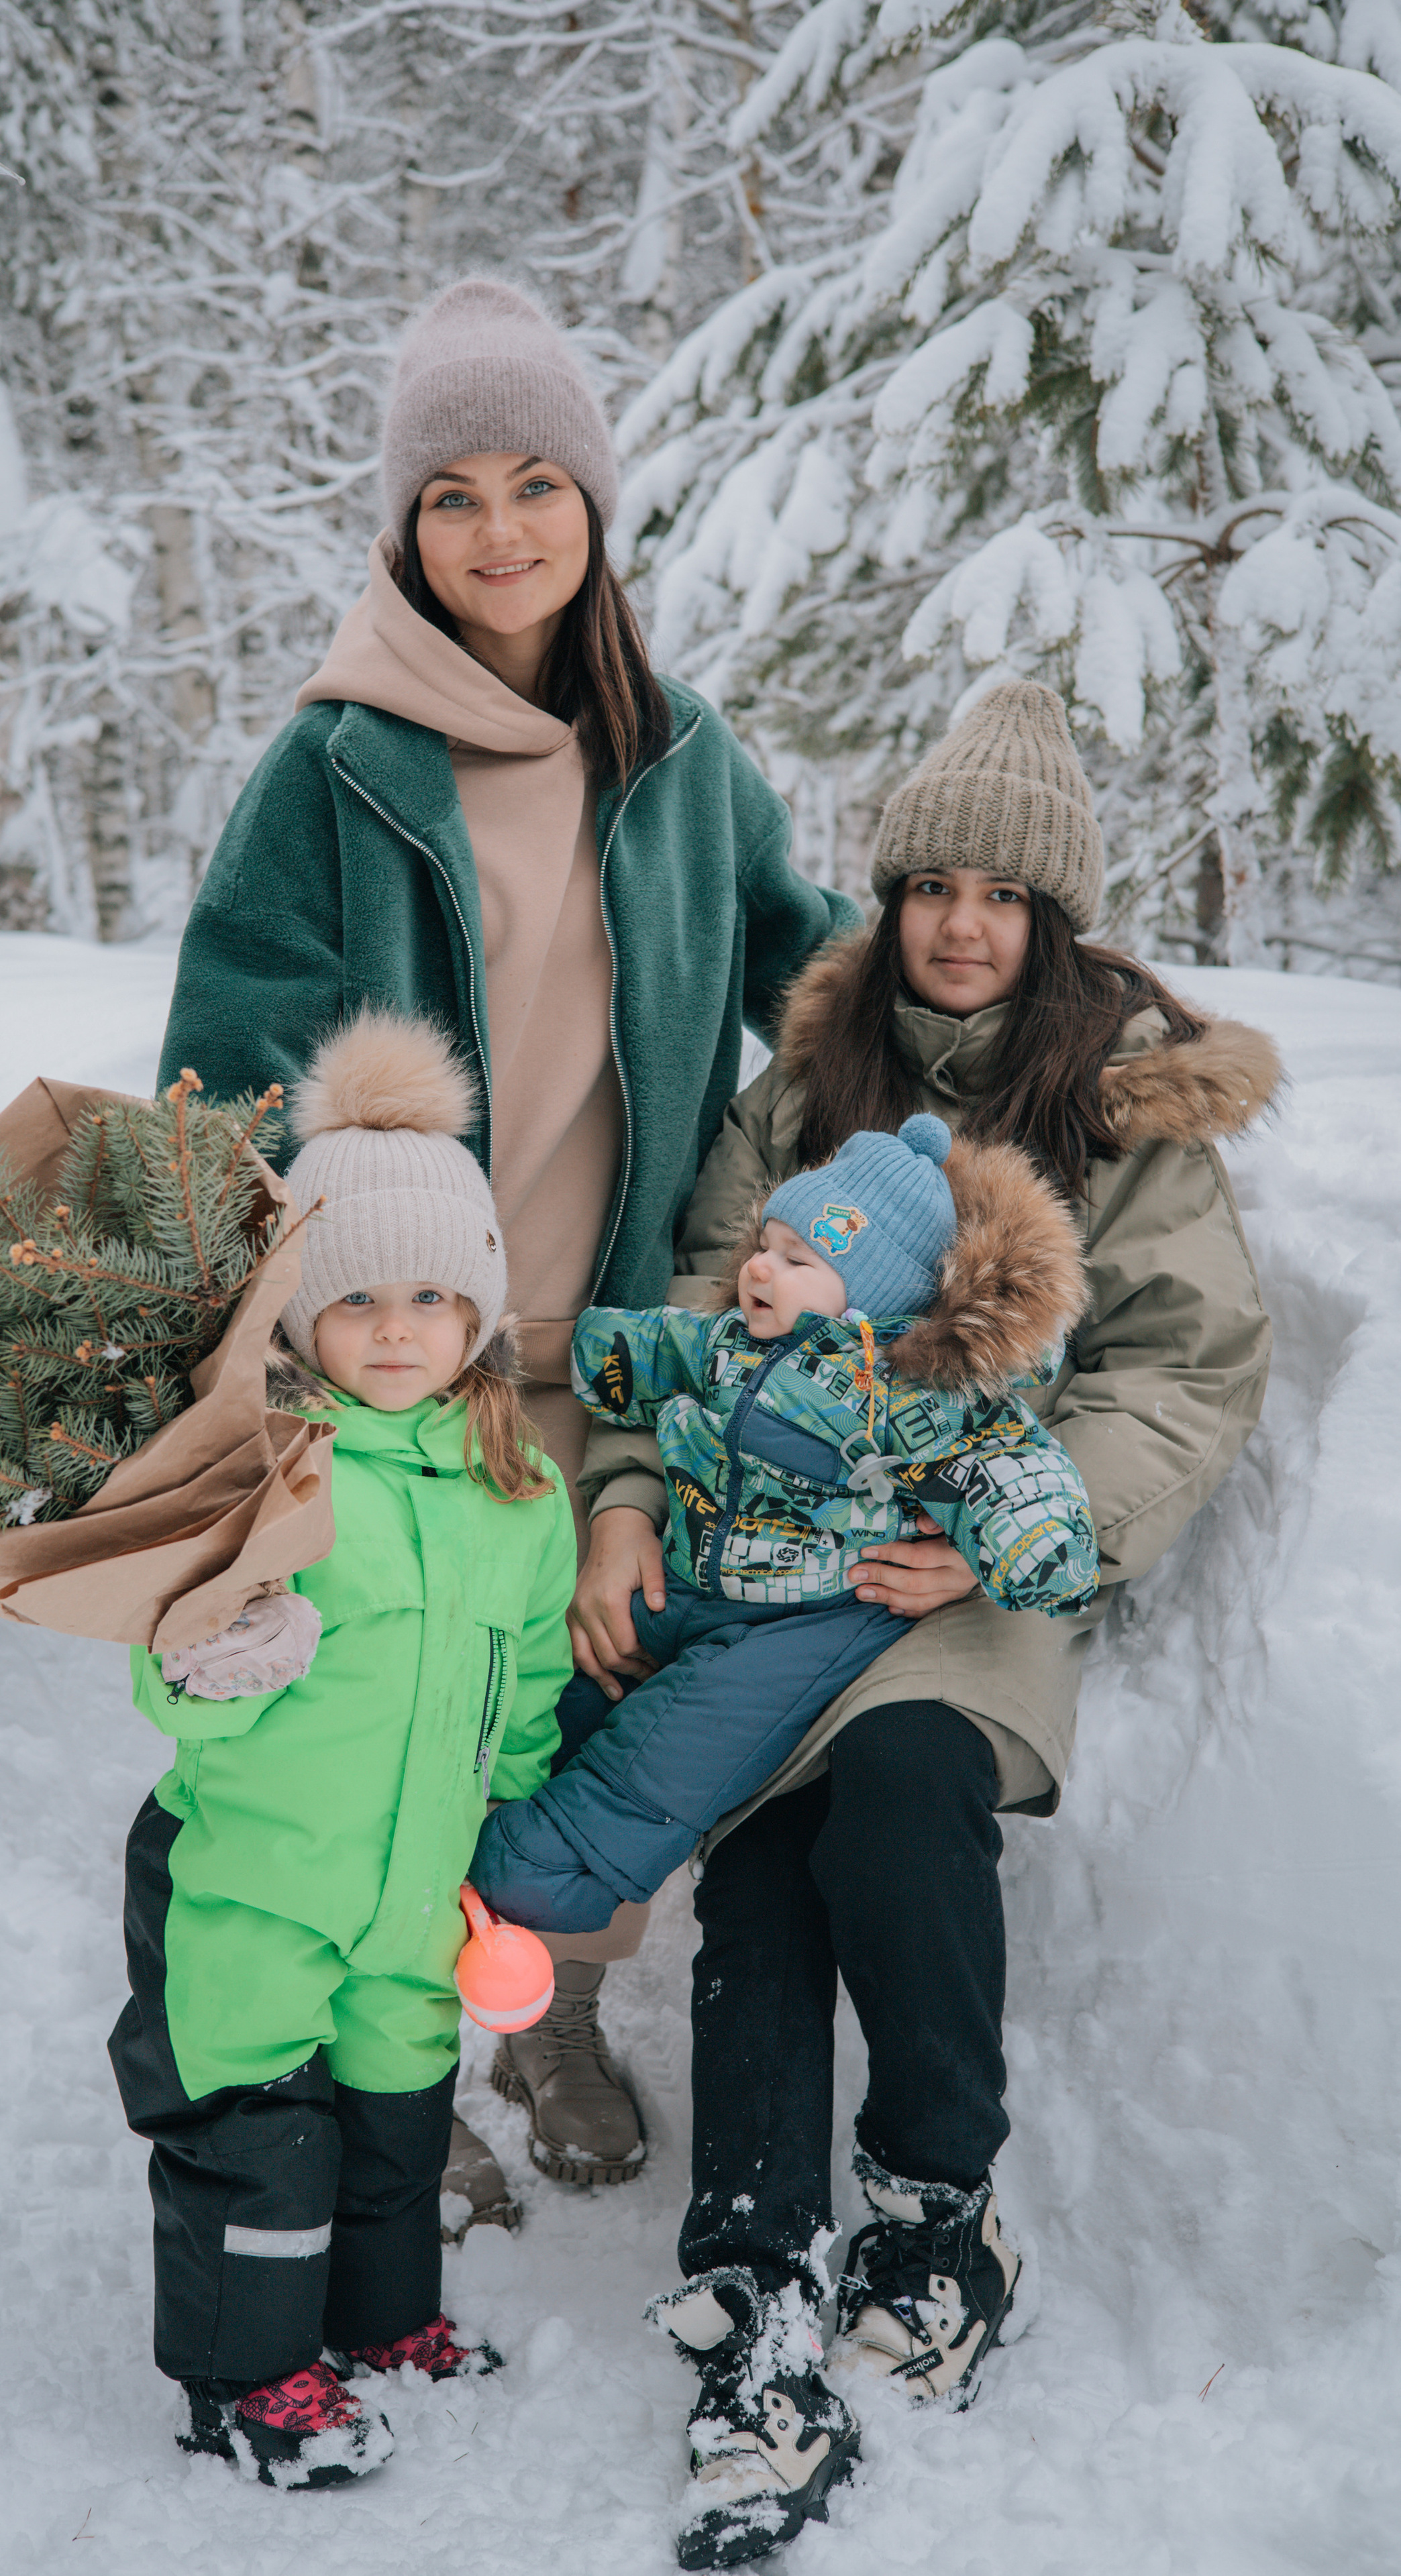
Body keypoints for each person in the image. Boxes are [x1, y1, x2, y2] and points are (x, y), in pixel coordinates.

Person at [156, 276, 859, 2202]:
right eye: (450, 493)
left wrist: (1058, 1042)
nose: (499, 530)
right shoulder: (338, 768)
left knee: (578, 1689)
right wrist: (234, 1346)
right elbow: (221, 1060)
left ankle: (544, 2007)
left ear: (595, 505)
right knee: (396, 1699)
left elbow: (823, 985)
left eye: (536, 481)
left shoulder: (682, 758)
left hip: (608, 1342)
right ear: (404, 529)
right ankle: (391, 2058)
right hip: (393, 1346)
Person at [575, 681, 1280, 2570]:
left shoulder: (1118, 1108)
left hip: (972, 1552)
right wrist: (632, 1498)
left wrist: (1010, 1547)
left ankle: (936, 2204)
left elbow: (1183, 1364)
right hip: (776, 1553)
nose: (962, 924)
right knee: (769, 1850)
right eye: (929, 886)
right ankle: (754, 2280)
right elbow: (695, 1309)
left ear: (1053, 920)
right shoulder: (809, 1082)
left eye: (1003, 895)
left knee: (894, 1789)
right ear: (886, 902)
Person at [107, 1015, 576, 2490]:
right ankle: (247, 2378)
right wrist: (220, 1662)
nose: (394, 1329)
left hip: (413, 1898)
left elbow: (534, 1665)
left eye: (433, 1296)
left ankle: (383, 2328)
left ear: (479, 1309)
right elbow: (170, 1683)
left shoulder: (521, 1485)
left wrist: (510, 1818)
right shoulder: (263, 1470)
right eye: (356, 1295)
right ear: (297, 1308)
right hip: (252, 1880)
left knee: (393, 2121)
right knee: (261, 2138)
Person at [472, 1114, 1100, 1935]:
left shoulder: (912, 1397)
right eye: (766, 1244)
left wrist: (1038, 1546)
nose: (760, 1266)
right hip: (694, 1577)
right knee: (575, 1677)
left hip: (807, 1621)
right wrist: (489, 1348)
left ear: (873, 1293)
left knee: (679, 1744)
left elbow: (1013, 1467)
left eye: (797, 1259)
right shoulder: (732, 1343)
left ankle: (546, 1875)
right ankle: (464, 1811)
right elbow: (638, 1351)